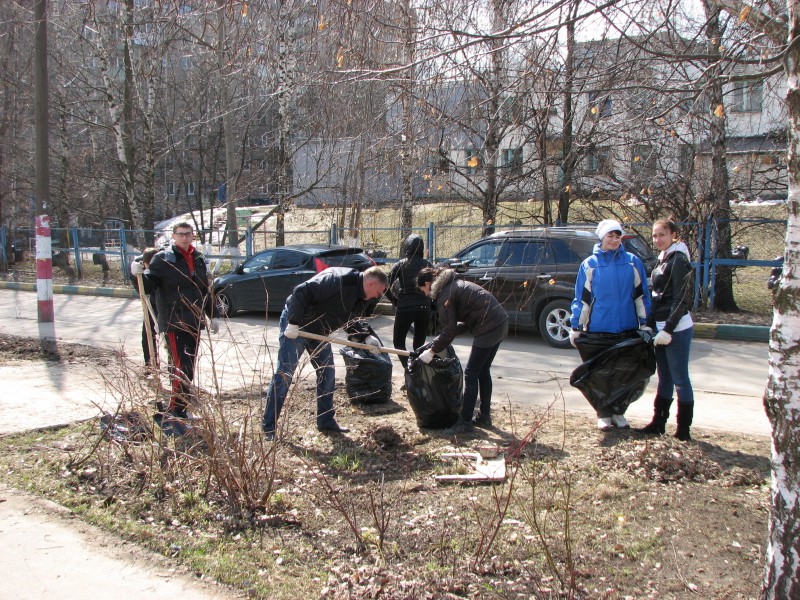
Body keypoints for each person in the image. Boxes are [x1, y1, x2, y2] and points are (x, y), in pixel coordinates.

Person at [262, 265, 388, 440]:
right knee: (285, 374)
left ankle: (326, 420)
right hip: (298, 327)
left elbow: (351, 320)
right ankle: (269, 427)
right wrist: (293, 322)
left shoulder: (361, 298)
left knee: (327, 373)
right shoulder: (337, 279)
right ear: (372, 283)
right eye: (379, 291)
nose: (378, 296)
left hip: (319, 331)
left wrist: (366, 337)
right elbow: (301, 292)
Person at [131, 222, 220, 424]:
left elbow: (204, 290)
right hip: (173, 321)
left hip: (194, 322)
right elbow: (147, 286)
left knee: (188, 367)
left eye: (187, 234)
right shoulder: (164, 259)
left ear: (193, 236)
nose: (184, 238)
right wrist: (135, 274)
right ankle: (176, 411)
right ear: (173, 236)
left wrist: (212, 315)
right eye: (180, 234)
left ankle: (182, 408)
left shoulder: (198, 259)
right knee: (179, 368)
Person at [569, 219, 651, 431]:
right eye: (610, 236)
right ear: (602, 237)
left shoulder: (632, 262)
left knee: (624, 373)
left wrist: (645, 324)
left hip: (627, 328)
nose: (614, 240)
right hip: (599, 329)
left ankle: (619, 412)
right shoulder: (590, 265)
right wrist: (576, 326)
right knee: (601, 374)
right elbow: (582, 299)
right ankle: (603, 413)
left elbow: (641, 296)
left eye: (617, 236)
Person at [416, 266, 509, 434]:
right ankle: (485, 416)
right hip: (500, 322)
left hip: (488, 327)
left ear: (428, 283)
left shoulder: (445, 294)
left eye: (423, 289)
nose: (425, 294)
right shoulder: (455, 284)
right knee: (483, 371)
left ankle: (465, 422)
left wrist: (431, 351)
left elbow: (449, 331)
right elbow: (461, 324)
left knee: (471, 374)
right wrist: (440, 340)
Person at [640, 219, 695, 441]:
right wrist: (650, 325)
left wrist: (668, 329)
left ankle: (683, 430)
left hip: (677, 328)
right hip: (661, 329)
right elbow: (656, 297)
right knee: (664, 378)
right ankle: (658, 423)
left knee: (680, 378)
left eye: (662, 234)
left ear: (673, 234)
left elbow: (682, 299)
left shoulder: (679, 260)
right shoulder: (662, 259)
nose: (657, 239)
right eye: (654, 235)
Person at [386, 234, 433, 370]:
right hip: (424, 309)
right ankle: (416, 371)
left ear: (407, 246)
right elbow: (435, 287)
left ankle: (409, 369)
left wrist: (394, 300)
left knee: (398, 343)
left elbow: (385, 286)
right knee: (419, 345)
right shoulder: (428, 264)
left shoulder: (400, 264)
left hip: (405, 308)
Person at [131, 247, 159, 367]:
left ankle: (173, 368)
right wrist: (134, 275)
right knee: (148, 334)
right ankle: (150, 363)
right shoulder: (140, 264)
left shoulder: (163, 264)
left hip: (168, 305)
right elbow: (142, 288)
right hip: (152, 303)